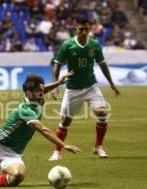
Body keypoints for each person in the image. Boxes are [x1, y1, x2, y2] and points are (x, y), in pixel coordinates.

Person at [48, 16, 120, 161]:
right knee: (65, 121)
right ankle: (58, 151)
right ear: (76, 29)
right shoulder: (67, 45)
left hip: (90, 86)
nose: (84, 31)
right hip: (73, 88)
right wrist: (56, 87)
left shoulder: (94, 44)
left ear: (89, 29)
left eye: (87, 29)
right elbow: (57, 66)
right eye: (81, 29)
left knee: (102, 112)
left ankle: (98, 147)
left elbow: (102, 64)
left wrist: (111, 83)